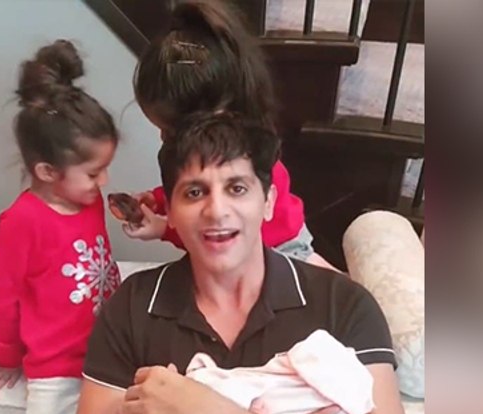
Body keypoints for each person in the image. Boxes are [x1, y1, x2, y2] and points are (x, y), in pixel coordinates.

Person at [67, 113, 412, 414]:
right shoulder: (133, 305)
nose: (217, 211)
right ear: (171, 213)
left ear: (268, 201)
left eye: (236, 188)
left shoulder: (342, 305)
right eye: (195, 192)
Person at [0, 39, 122, 414]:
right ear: (46, 172)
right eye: (93, 173)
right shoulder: (22, 222)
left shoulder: (89, 202)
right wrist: (7, 356)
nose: (104, 181)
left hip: (112, 346)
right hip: (58, 369)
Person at [121, 0, 338, 271]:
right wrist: (160, 200)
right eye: (161, 129)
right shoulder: (210, 151)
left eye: (172, 131)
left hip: (281, 247)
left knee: (324, 284)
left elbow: (217, 232)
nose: (164, 138)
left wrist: (163, 228)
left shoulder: (251, 161)